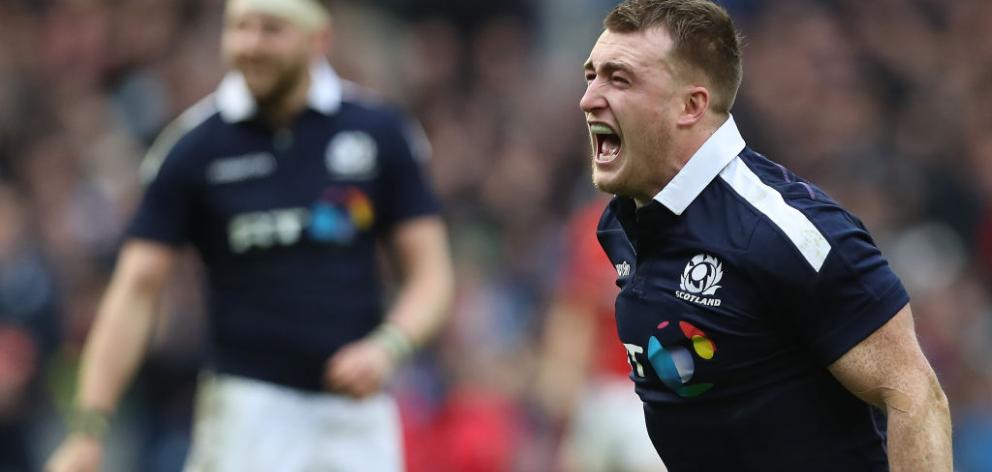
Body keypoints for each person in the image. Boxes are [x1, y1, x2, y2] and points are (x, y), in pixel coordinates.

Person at [46, 0, 454, 470]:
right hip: (246, 415)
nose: (250, 45)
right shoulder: (194, 147)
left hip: (356, 415)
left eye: (271, 30)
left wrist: (389, 346)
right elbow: (136, 290)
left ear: (318, 38)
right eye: (239, 28)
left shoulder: (379, 133)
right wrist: (89, 428)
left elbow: (432, 274)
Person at [579, 0, 952, 470]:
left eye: (620, 79)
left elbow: (915, 396)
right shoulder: (621, 226)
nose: (589, 97)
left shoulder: (787, 231)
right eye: (591, 75)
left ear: (690, 106)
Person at [537, 196, 666, 472]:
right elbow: (574, 309)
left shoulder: (689, 227)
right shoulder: (595, 226)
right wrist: (560, 373)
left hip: (659, 394)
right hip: (601, 387)